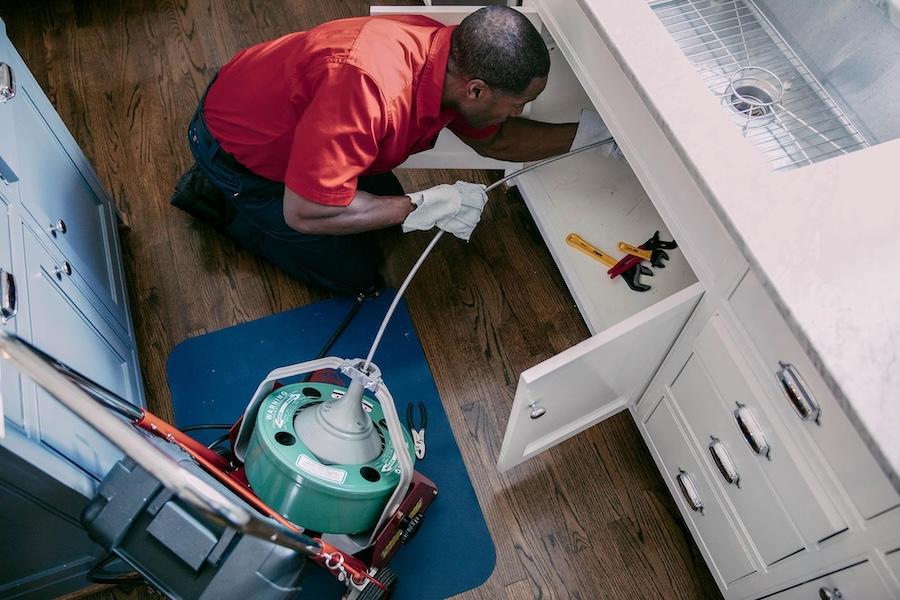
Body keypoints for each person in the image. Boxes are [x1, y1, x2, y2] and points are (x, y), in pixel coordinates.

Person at [171, 6, 616, 294]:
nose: (519, 111)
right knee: (354, 275)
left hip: (298, 120)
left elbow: (498, 140)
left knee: (381, 221)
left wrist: (593, 135)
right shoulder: (368, 92)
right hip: (238, 153)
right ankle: (213, 195)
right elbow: (304, 211)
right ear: (477, 90)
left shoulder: (452, 57)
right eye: (518, 103)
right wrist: (420, 204)